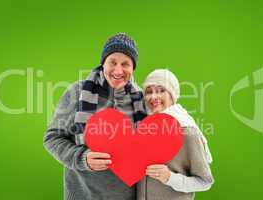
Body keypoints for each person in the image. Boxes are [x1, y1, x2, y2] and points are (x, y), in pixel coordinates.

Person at [43, 33, 147, 200]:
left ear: (133, 68)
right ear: (103, 63)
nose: (118, 70)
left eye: (125, 64)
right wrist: (82, 158)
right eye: (112, 62)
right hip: (83, 194)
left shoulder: (141, 100)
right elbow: (52, 138)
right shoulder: (77, 92)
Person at [137, 69, 214, 200]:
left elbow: (205, 182)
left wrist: (169, 178)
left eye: (161, 90)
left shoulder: (187, 131)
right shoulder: (142, 129)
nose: (154, 97)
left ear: (172, 95)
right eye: (149, 91)